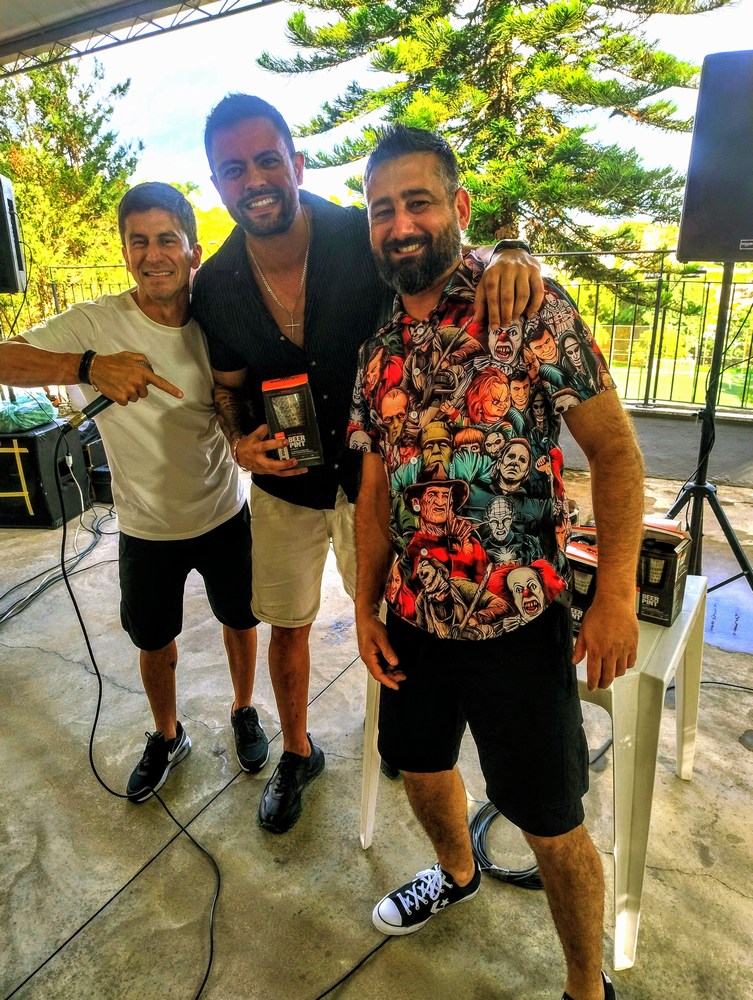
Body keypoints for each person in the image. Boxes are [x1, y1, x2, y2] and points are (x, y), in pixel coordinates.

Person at [190, 93, 546, 834]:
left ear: (296, 163)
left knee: (388, 617)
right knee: (287, 624)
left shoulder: (364, 233)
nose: (254, 180)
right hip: (285, 485)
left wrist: (511, 252)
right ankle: (297, 752)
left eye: (266, 160)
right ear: (217, 182)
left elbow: (445, 254)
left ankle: (401, 740)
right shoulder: (216, 284)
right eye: (234, 169)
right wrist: (239, 440)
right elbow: (227, 388)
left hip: (376, 480)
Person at [349, 126, 644, 1000]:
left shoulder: (528, 307)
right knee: (421, 766)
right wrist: (363, 607)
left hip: (516, 618)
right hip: (413, 615)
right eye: (381, 210)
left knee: (550, 820)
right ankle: (456, 873)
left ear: (459, 207)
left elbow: (615, 453)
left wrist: (615, 594)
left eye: (417, 202)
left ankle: (584, 986)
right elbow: (373, 493)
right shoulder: (377, 351)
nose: (400, 224)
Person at [0, 182, 268, 802]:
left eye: (167, 240)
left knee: (240, 619)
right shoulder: (96, 322)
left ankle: (243, 709)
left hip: (223, 510)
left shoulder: (218, 322)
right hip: (146, 527)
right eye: (138, 241)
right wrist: (87, 366)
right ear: (124, 252)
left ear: (193, 251)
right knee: (153, 641)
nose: (153, 255)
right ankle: (167, 734)